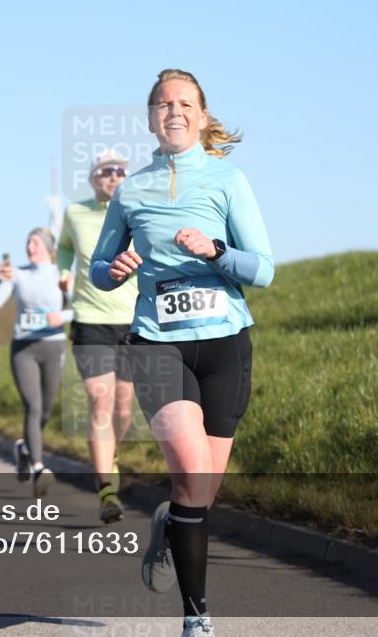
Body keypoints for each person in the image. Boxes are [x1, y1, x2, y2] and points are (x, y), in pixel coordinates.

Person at [90, 69, 274, 637]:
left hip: (224, 345)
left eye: (184, 103)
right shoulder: (130, 190)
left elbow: (262, 269)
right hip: (155, 343)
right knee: (192, 472)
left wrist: (217, 250)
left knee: (201, 493)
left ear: (200, 114)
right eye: (163, 103)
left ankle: (171, 521)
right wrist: (115, 270)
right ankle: (197, 619)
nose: (173, 110)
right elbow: (100, 267)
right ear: (150, 118)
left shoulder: (227, 179)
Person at [57, 148, 138, 524]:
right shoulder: (75, 213)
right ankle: (106, 488)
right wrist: (62, 271)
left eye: (119, 171)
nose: (112, 177)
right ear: (93, 178)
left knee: (123, 407)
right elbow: (64, 247)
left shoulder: (137, 213)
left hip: (133, 319)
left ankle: (111, 454)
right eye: (105, 171)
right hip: (91, 319)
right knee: (100, 400)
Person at [0, 228, 73, 497]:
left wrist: (63, 316)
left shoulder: (62, 274)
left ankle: (24, 449)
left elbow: (79, 306)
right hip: (24, 347)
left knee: (45, 410)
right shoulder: (18, 274)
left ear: (48, 247)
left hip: (54, 345)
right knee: (33, 406)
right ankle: (38, 468)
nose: (29, 247)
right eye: (27, 242)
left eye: (34, 242)